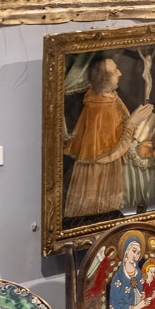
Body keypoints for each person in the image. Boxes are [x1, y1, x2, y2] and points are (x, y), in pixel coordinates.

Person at [64, 57, 131, 218]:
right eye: (115, 71)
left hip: (110, 167)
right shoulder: (100, 107)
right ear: (104, 78)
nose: (120, 73)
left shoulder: (110, 98)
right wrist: (133, 124)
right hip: (101, 171)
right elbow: (110, 151)